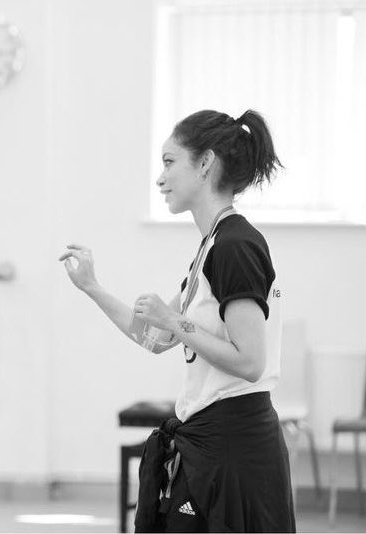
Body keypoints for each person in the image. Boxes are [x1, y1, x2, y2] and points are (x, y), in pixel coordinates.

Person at [60, 109, 295, 532]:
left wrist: (175, 319)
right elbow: (152, 337)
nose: (160, 178)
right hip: (210, 439)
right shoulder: (212, 247)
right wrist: (92, 287)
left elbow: (249, 362)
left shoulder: (236, 247)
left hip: (235, 445)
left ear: (205, 163)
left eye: (170, 162)